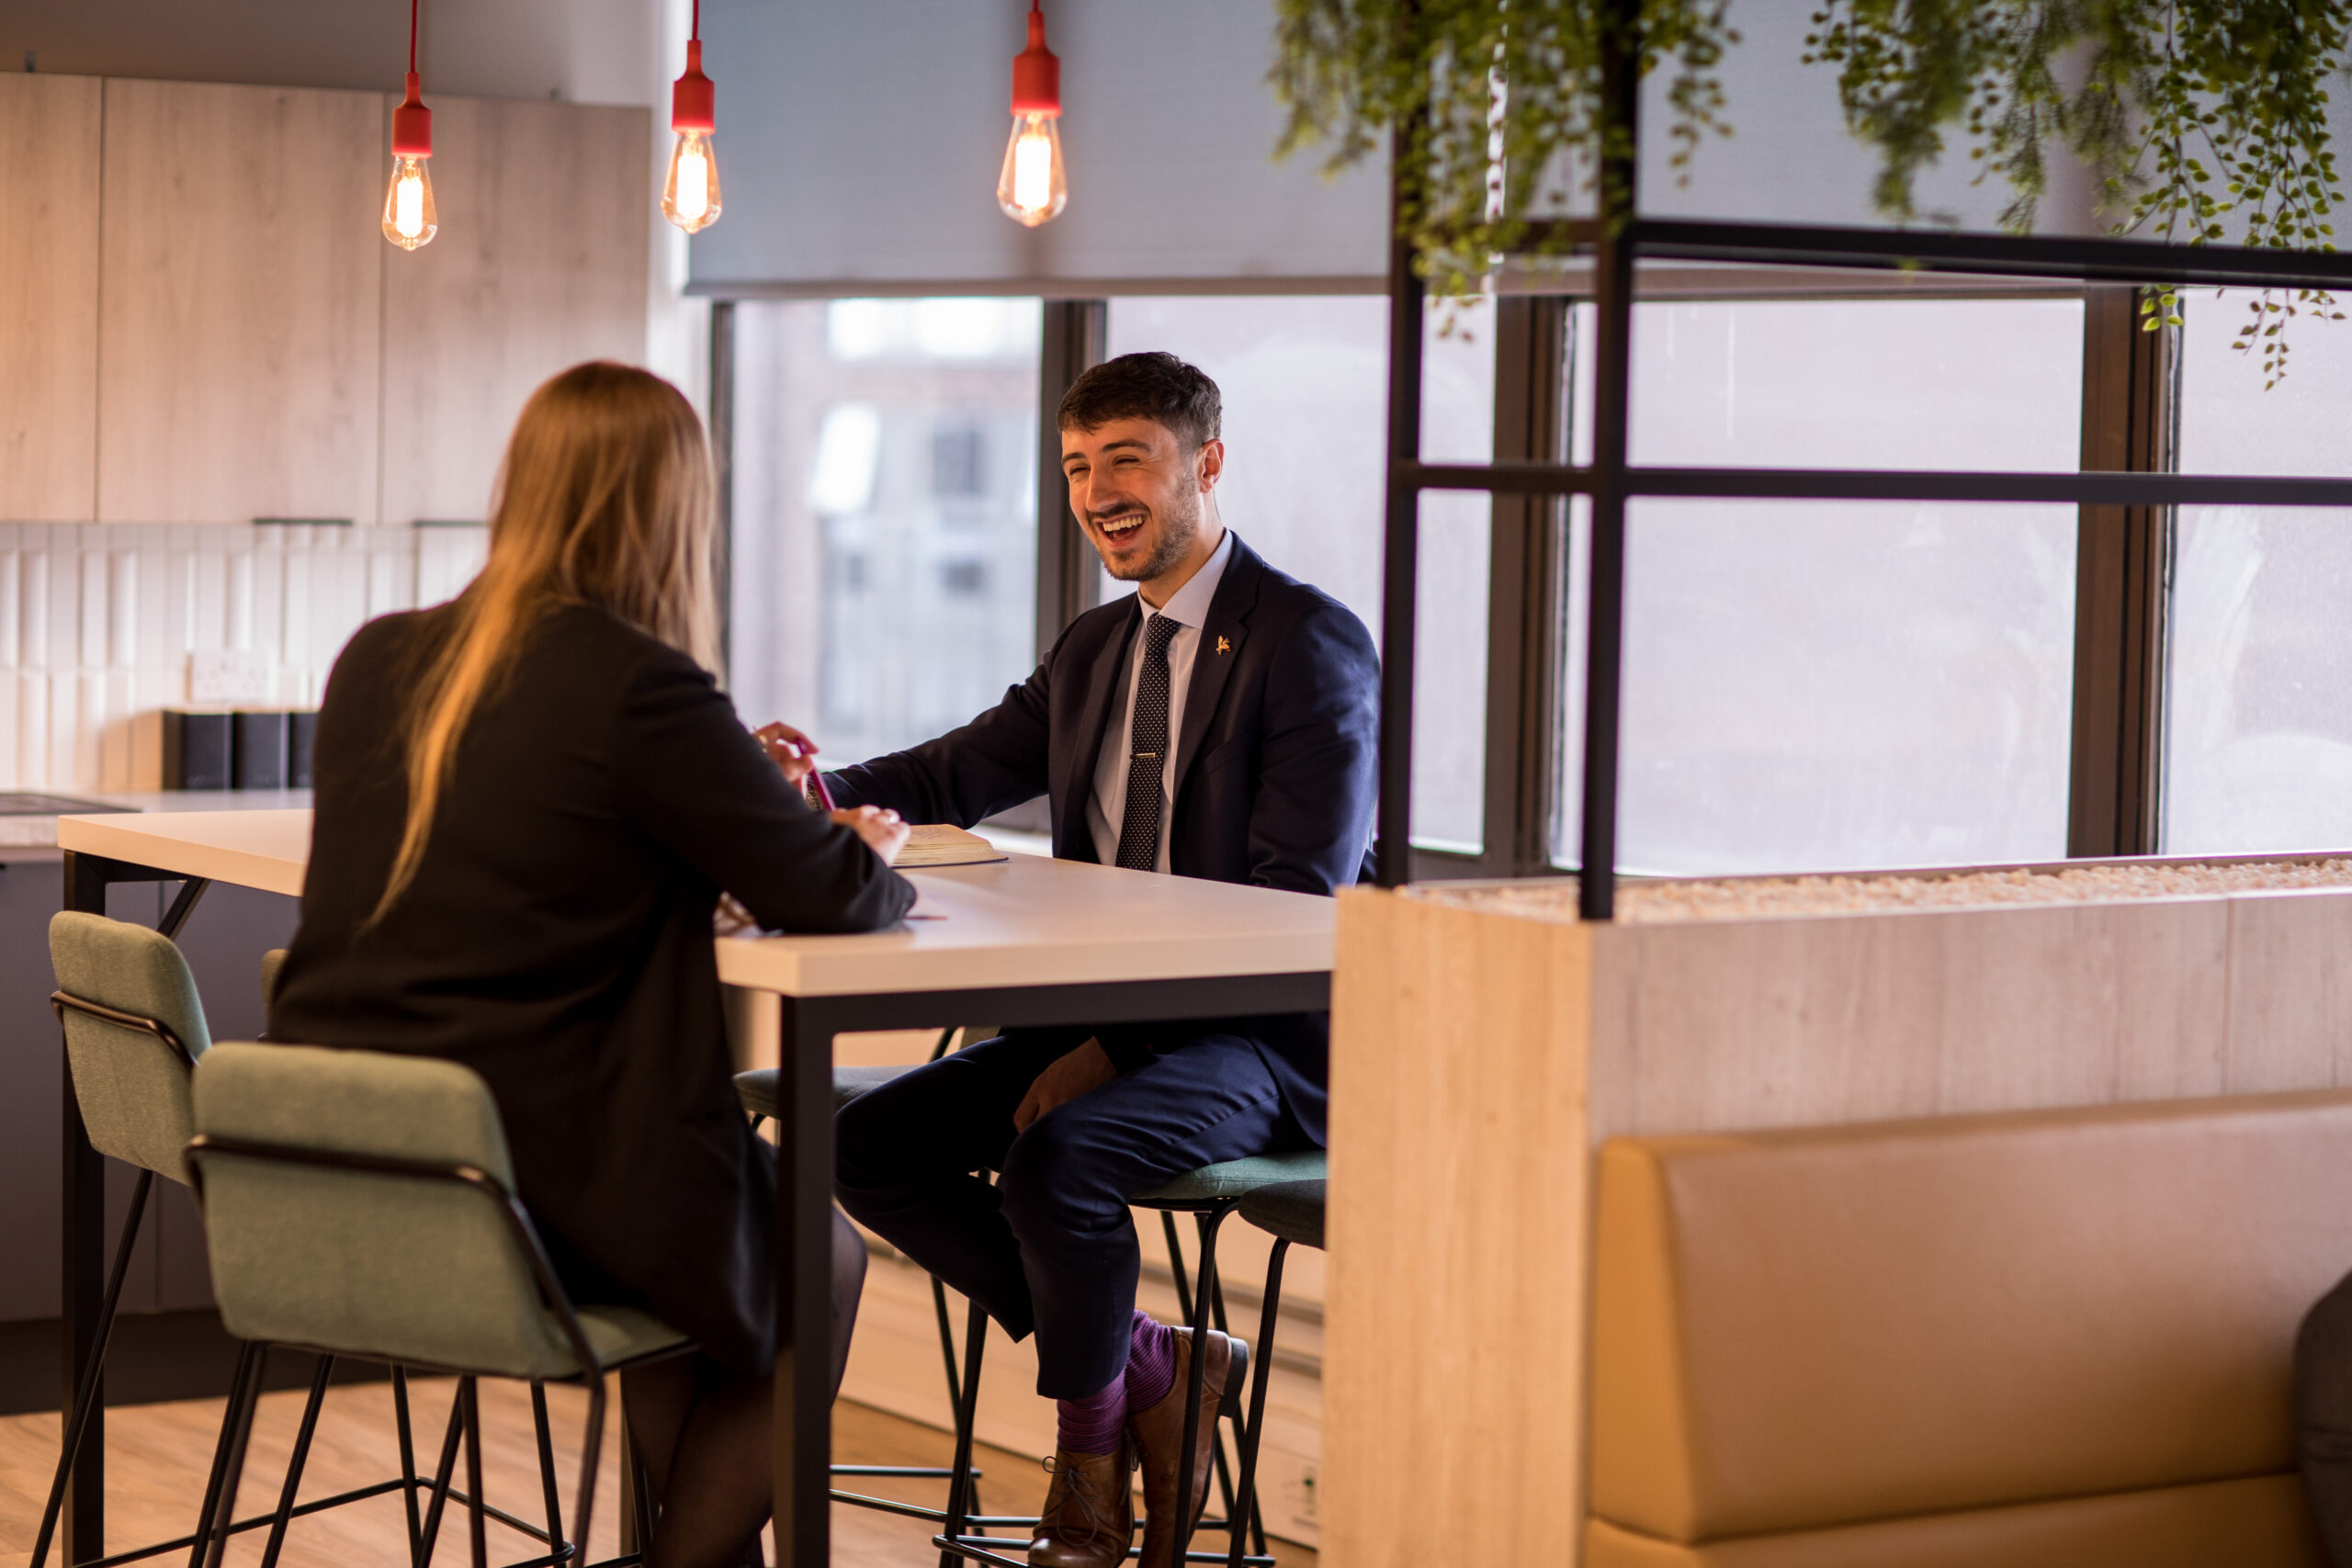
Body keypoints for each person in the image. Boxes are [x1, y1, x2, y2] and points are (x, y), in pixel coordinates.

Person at [269, 362, 916, 1568]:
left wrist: (718, 812)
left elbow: (543, 849)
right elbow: (833, 896)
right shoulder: (639, 686)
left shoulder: (380, 657)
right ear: (674, 514)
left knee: (718, 1253)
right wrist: (862, 838)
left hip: (349, 1162)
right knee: (813, 1255)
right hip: (519, 1178)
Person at [764, 351, 1379, 1568]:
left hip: (1262, 1039)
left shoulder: (1306, 643)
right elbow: (949, 778)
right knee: (861, 1141)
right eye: (1077, 467)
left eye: (1128, 460)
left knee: (1062, 1163)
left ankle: (1085, 1482)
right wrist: (790, 794)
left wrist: (1112, 1047)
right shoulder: (1100, 649)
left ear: (1206, 463)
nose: (1099, 490)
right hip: (1105, 1024)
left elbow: (1296, 908)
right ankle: (1152, 1360)